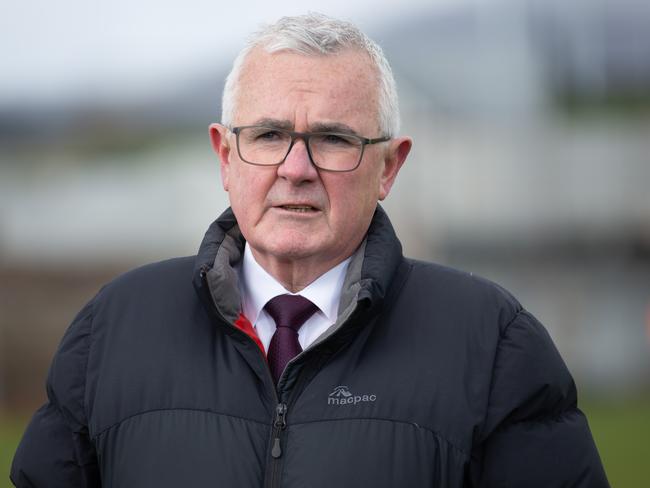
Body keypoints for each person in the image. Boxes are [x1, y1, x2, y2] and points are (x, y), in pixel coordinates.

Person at [11, 13, 609, 488]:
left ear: (388, 168)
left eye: (333, 138)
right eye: (269, 135)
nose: (296, 169)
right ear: (225, 156)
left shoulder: (494, 345)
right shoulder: (113, 332)